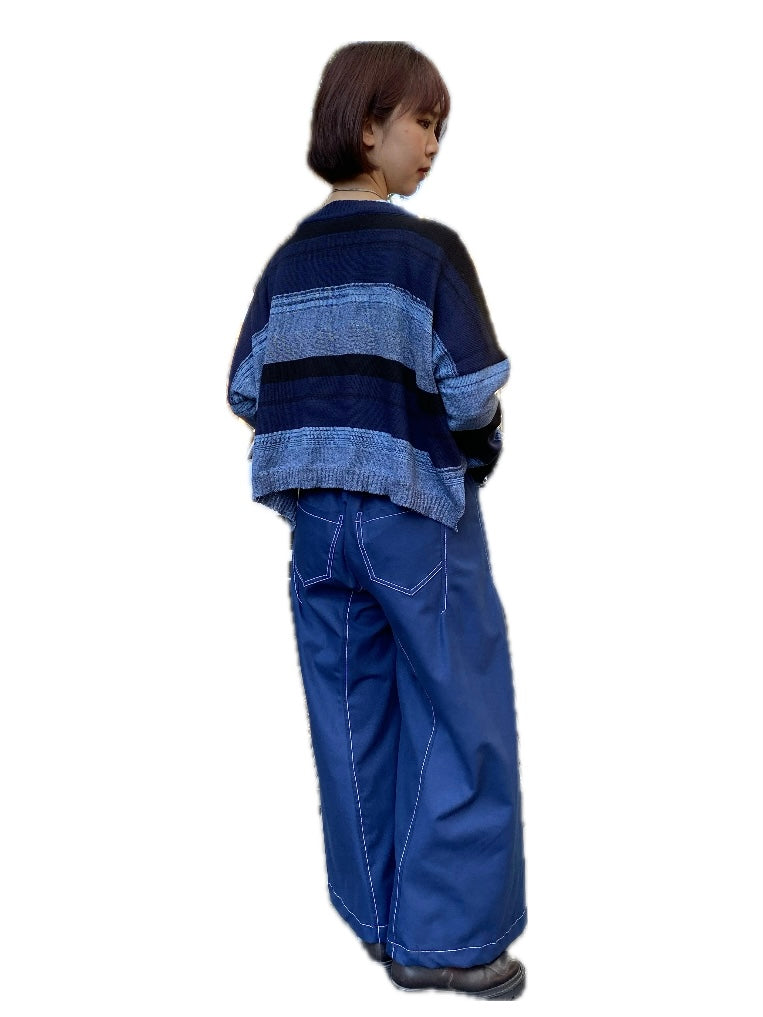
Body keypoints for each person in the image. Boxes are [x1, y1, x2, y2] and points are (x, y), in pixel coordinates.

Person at [227, 41, 527, 1000]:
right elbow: (471, 391)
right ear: (367, 128)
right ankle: (445, 941)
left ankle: (376, 916)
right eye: (422, 123)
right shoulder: (426, 253)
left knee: (348, 711)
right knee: (458, 710)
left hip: (316, 527)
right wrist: (479, 439)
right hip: (412, 516)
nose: (433, 145)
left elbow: (245, 387)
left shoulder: (287, 263)